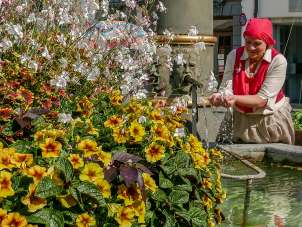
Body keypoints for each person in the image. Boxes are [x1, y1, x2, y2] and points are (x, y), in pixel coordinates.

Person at [209, 18, 295, 144]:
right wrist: (221, 96)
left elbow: (261, 100)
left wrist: (234, 98)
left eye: (257, 43)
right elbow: (226, 87)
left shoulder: (278, 61)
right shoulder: (234, 55)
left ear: (268, 43)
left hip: (269, 120)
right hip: (239, 119)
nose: (250, 47)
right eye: (247, 42)